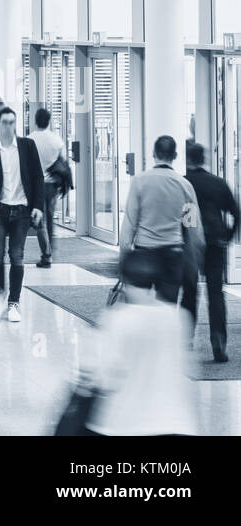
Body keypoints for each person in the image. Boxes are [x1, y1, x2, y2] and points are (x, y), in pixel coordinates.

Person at [82, 250, 199, 436]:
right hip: (175, 424)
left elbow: (104, 377)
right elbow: (188, 369)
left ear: (124, 281)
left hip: (125, 425)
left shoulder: (117, 320)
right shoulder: (177, 318)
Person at [0, 108, 46, 323]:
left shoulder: (27, 146)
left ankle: (14, 302)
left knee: (17, 255)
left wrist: (38, 206)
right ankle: (0, 293)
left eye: (12, 122)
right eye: (4, 122)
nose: (8, 126)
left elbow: (38, 178)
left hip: (22, 210)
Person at [119, 135, 205, 306]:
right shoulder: (184, 185)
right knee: (167, 308)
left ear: (153, 153)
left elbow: (129, 222)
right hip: (172, 254)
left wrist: (124, 257)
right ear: (175, 156)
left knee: (138, 306)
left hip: (144, 252)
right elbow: (192, 227)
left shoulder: (140, 181)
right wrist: (197, 257)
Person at [182, 141, 238, 363]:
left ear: (187, 159)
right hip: (216, 241)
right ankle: (218, 342)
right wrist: (228, 236)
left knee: (188, 292)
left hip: (190, 242)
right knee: (216, 294)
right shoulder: (218, 183)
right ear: (203, 159)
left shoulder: (183, 183)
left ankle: (186, 341)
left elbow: (180, 216)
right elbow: (237, 213)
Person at [27, 108, 65, 268]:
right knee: (50, 218)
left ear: (36, 120)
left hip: (36, 185)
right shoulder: (57, 141)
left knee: (39, 220)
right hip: (52, 185)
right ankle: (50, 252)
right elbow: (62, 163)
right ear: (49, 121)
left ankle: (46, 255)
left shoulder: (30, 140)